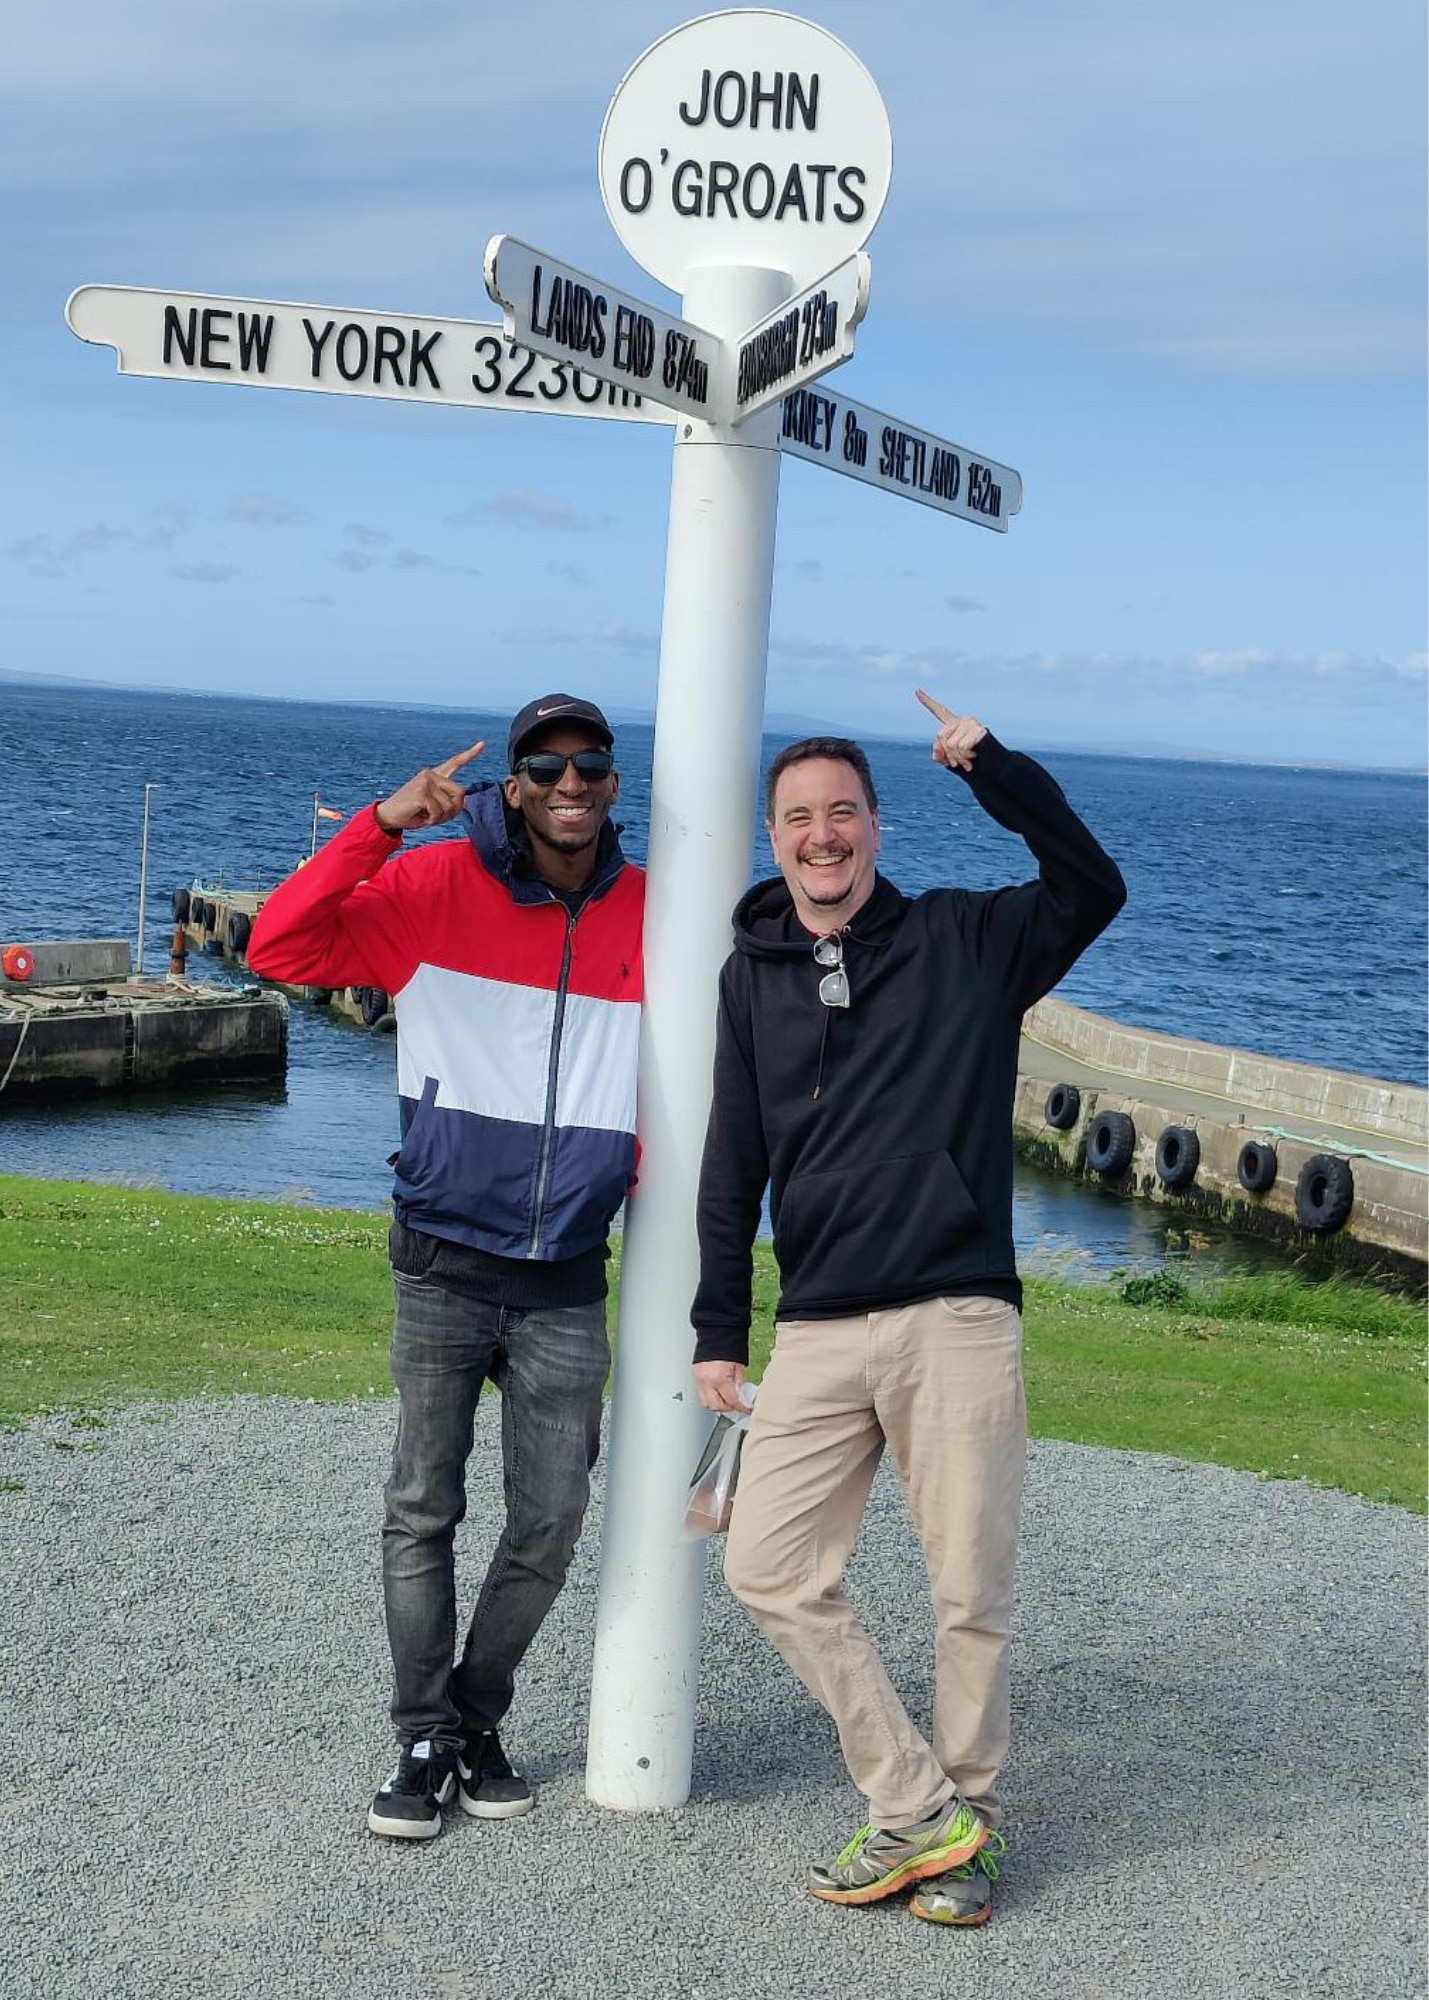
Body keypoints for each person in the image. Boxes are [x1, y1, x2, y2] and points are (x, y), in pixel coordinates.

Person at [690, 690, 1126, 1921]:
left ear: (876, 824)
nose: (820, 835)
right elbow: (732, 1159)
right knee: (767, 1565)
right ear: (769, 836)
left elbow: (1091, 882)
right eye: (796, 818)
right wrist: (719, 1326)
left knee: (967, 1590)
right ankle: (917, 1806)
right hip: (819, 1320)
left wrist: (988, 765)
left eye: (842, 812)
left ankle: (964, 1836)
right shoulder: (751, 974)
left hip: (956, 1313)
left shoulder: (965, 940)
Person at [247, 694, 642, 1841]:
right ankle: (421, 1733)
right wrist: (380, 822)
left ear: (614, 785)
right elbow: (277, 943)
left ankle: (473, 1713)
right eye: (546, 767)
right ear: (510, 785)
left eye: (591, 766)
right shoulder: (429, 889)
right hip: (442, 1261)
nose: (570, 785)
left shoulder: (649, 910)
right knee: (422, 1506)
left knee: (552, 1517)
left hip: (567, 1270)